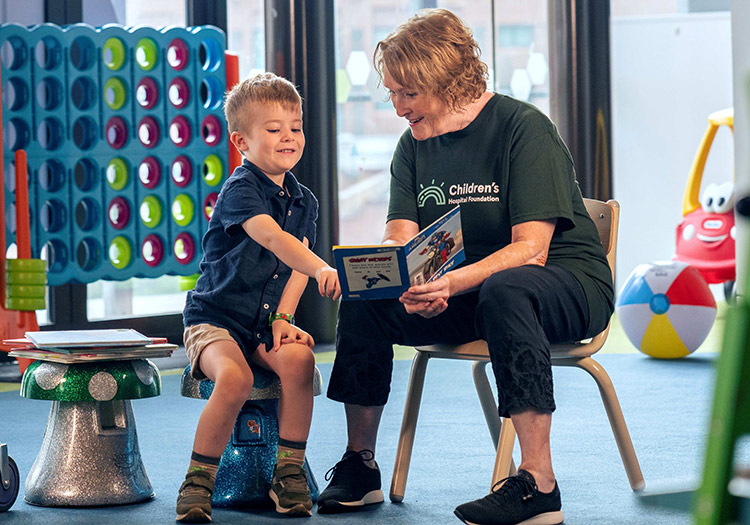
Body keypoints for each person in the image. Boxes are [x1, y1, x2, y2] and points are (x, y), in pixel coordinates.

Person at [317, 9, 613, 525]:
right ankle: (359, 465)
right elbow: (401, 230)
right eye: (392, 93)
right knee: (369, 296)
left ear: (444, 79)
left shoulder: (524, 128)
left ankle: (538, 483)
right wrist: (399, 272)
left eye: (408, 93)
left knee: (508, 287)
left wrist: (449, 283)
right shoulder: (412, 146)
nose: (397, 107)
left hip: (566, 285)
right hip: (470, 292)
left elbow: (531, 251)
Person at [177, 72, 341, 523]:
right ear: (241, 141)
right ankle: (198, 481)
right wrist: (323, 268)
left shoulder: (305, 200)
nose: (288, 136)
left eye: (296, 126)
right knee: (234, 379)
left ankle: (287, 473)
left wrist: (285, 316)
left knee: (300, 362)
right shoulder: (241, 188)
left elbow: (295, 265)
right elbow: (273, 240)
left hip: (262, 323)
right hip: (215, 319)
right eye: (273, 129)